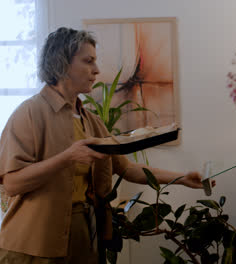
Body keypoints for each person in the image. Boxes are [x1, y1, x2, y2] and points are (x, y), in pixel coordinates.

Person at [0, 27, 211, 264]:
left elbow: (127, 169)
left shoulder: (91, 121)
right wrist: (68, 157)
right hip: (31, 245)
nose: (97, 70)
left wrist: (182, 177)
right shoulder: (28, 113)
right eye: (88, 61)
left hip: (83, 237)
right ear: (62, 63)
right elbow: (12, 182)